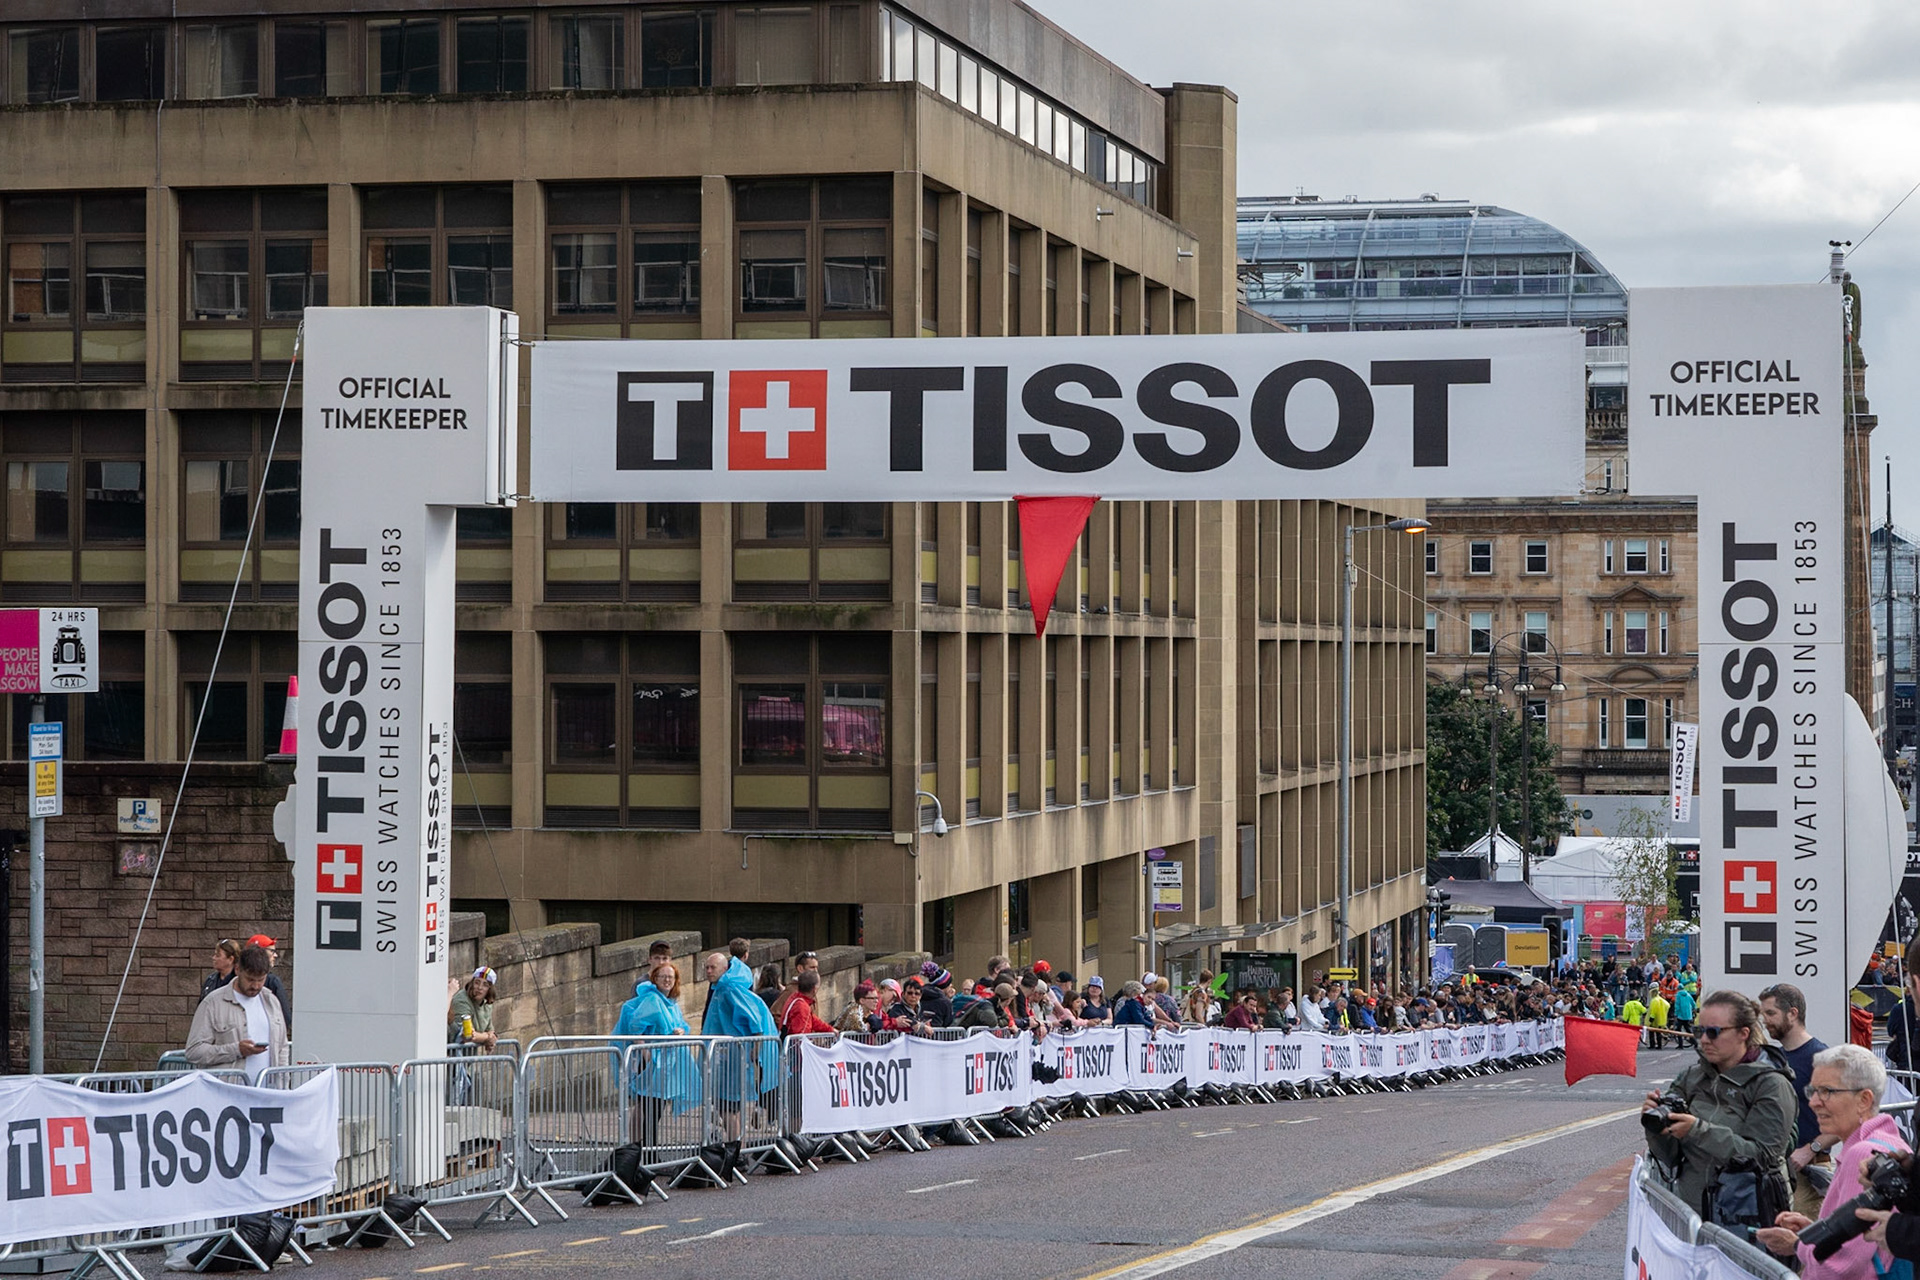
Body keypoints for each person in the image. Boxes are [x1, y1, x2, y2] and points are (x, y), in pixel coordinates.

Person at [1754, 1044, 1908, 1278]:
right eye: (1813, 1091)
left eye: (1826, 1091)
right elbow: (1860, 1240)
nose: (1814, 1102)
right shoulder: (1888, 1143)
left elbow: (1843, 1264)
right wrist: (1816, 1232)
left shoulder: (1864, 1155)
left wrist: (1797, 1245)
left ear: (1864, 1100)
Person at [1643, 990, 1797, 1221]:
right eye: (1699, 1031)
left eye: (1714, 1032)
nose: (1704, 1040)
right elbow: (1670, 1157)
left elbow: (1763, 1157)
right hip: (1694, 1215)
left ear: (1743, 1034)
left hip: (1749, 1217)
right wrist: (1656, 1127)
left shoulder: (1771, 1084)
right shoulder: (1691, 1077)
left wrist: (1697, 1131)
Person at [1759, 983, 1832, 1218]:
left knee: (1805, 1247)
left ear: (1792, 1013)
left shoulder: (1820, 1057)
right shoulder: (1775, 1058)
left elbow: (1847, 1120)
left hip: (1808, 1173)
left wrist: (1810, 1150)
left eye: (1771, 1013)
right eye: (1763, 1014)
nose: (1765, 1020)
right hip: (1777, 1170)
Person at [614, 964, 699, 1144]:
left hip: (665, 1062)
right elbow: (635, 1027)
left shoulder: (670, 1003)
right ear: (655, 979)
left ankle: (648, 1152)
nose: (667, 980)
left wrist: (681, 1032)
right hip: (653, 1062)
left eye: (671, 977)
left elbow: (682, 1024)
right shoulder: (652, 999)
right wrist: (646, 1055)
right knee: (651, 1107)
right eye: (663, 976)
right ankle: (647, 1152)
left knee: (656, 1107)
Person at [186, 943, 289, 1082]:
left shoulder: (271, 1001)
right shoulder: (212, 1003)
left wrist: (283, 1085)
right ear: (237, 969)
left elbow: (282, 1047)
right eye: (250, 979)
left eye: (261, 980)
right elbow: (194, 1051)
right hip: (227, 1095)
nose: (256, 986)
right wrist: (236, 1050)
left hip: (268, 1095)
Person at [244, 934, 293, 1034]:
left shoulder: (273, 981)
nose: (276, 955)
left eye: (260, 980)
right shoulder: (272, 981)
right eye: (272, 951)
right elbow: (285, 1017)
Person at [448, 966, 500, 1051]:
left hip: (468, 1054)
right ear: (472, 983)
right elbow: (467, 1034)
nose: (479, 987)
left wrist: (491, 1037)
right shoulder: (462, 1000)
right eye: (477, 982)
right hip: (453, 1052)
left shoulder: (487, 1003)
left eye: (485, 985)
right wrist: (487, 1037)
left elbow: (490, 1030)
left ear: (490, 989)